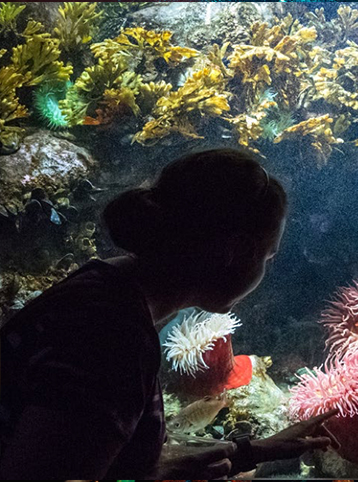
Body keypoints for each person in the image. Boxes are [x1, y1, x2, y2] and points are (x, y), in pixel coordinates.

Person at [0, 149, 338, 479]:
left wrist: (244, 453)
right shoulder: (112, 337)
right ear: (234, 252)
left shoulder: (104, 288)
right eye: (268, 256)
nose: (266, 269)